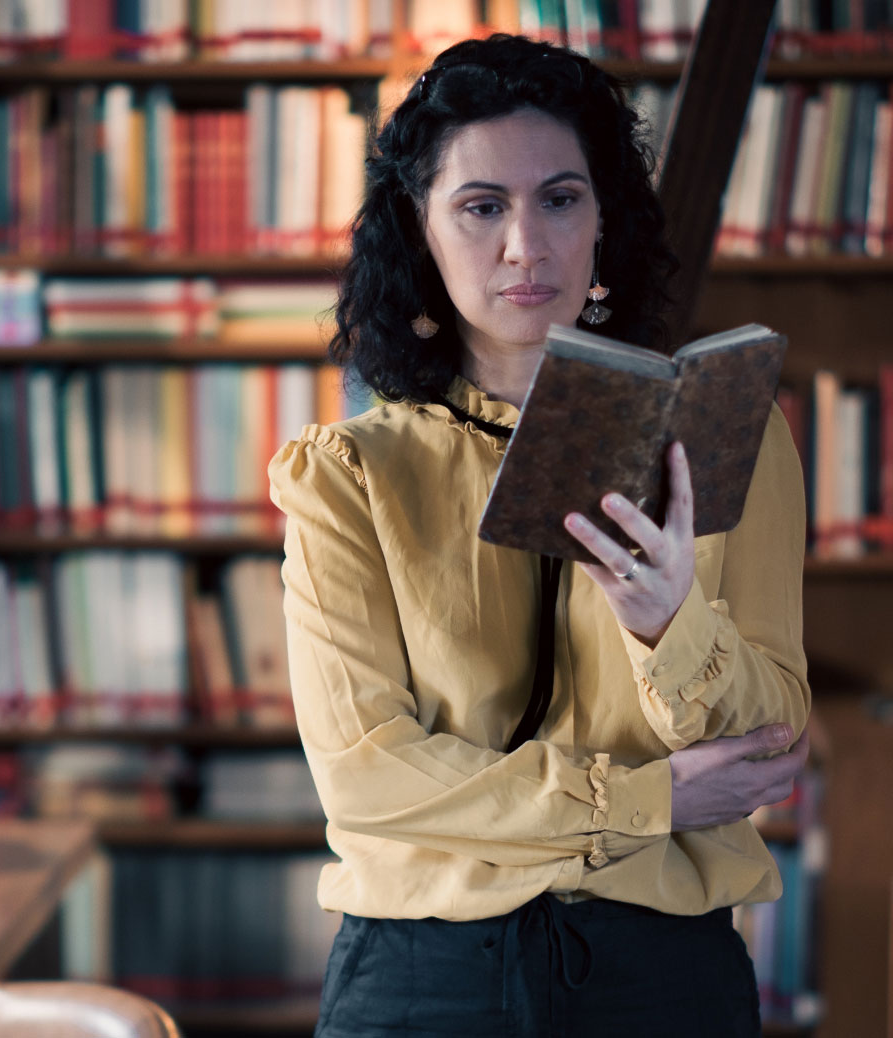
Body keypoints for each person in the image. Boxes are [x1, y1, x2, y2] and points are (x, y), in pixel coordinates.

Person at [265, 34, 814, 1037]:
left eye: (560, 199)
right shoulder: (349, 476)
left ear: (604, 220)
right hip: (424, 976)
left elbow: (771, 735)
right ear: (421, 232)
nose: (528, 246)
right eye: (482, 208)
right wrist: (644, 804)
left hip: (661, 976)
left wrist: (669, 624)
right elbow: (366, 777)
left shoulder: (728, 434)